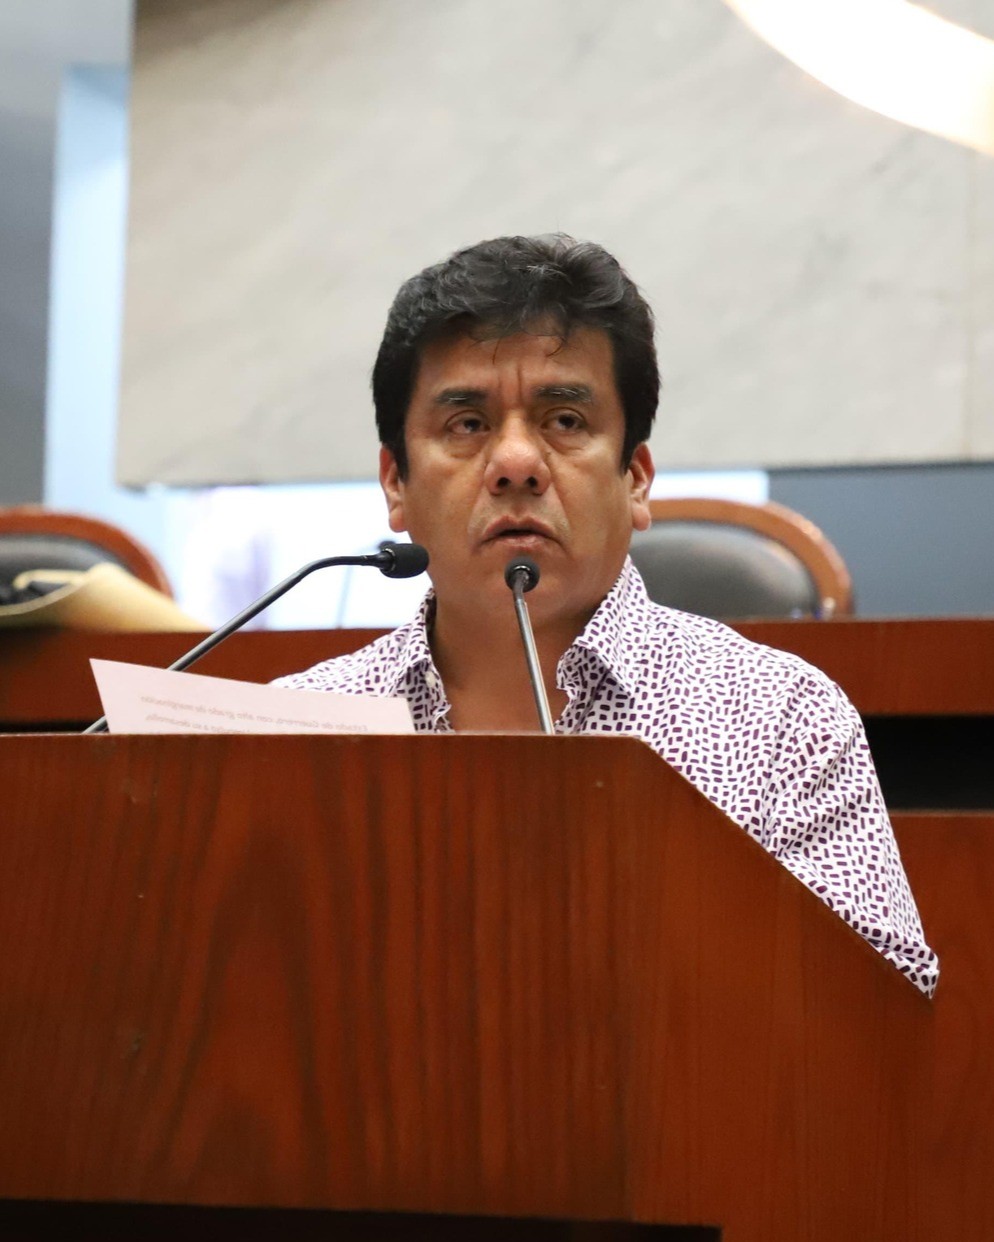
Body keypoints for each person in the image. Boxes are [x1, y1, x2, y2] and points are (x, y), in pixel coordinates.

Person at [276, 234, 939, 996]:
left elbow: (878, 1017)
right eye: (467, 424)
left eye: (564, 420)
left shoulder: (781, 722)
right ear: (396, 483)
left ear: (636, 479)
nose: (516, 464)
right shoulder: (293, 732)